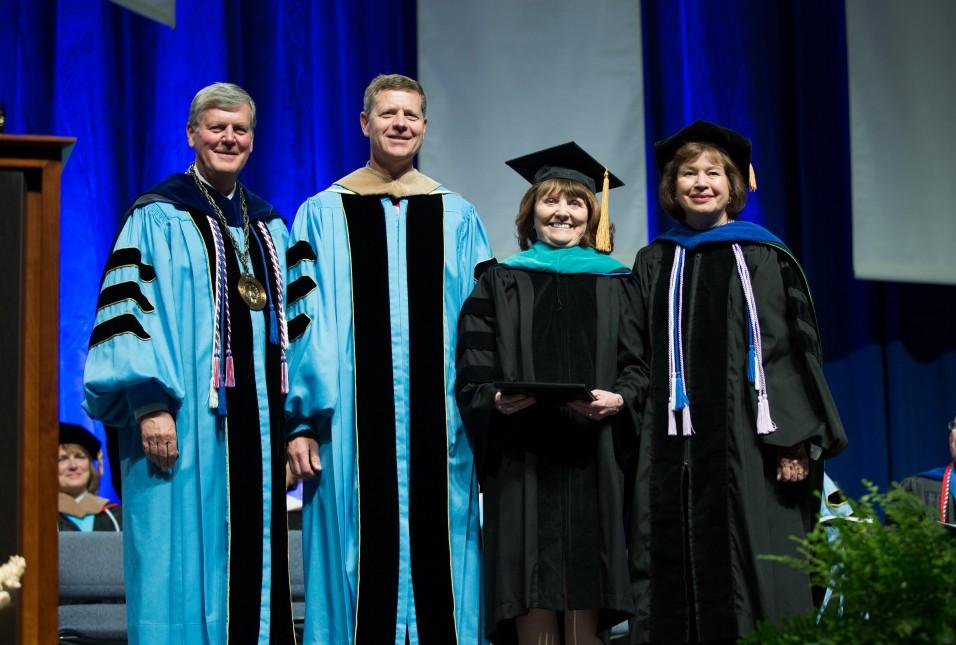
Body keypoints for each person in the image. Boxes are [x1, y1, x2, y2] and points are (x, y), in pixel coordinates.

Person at [619, 120, 848, 643]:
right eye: (688, 174)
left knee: (755, 568)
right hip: (671, 450)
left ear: (733, 184)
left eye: (713, 172)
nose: (701, 182)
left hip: (751, 446)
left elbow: (788, 351)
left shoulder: (765, 256)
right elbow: (633, 353)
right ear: (673, 189)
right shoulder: (654, 260)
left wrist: (792, 438)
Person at [285, 73, 492, 644]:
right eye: (387, 114)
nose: (399, 124)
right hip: (347, 425)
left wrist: (478, 412)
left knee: (445, 561)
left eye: (410, 115)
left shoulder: (458, 216)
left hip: (443, 422)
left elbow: (483, 325)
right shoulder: (322, 214)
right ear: (365, 124)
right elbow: (303, 326)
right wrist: (300, 422)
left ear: (424, 127)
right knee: (352, 556)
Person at [83, 82, 294, 644]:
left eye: (240, 129)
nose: (229, 137)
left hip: (259, 430)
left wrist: (298, 422)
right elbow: (128, 318)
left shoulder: (269, 227)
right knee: (177, 558)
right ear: (191, 134)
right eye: (217, 127)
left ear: (253, 138)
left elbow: (297, 334)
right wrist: (149, 405)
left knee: (253, 566)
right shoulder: (157, 216)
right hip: (183, 426)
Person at [455, 142, 634, 644]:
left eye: (575, 202)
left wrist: (620, 398)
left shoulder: (619, 283)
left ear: (592, 216)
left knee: (585, 584)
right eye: (550, 201)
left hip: (595, 454)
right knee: (528, 586)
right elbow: (474, 361)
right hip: (522, 455)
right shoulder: (499, 280)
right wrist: (491, 397)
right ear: (530, 213)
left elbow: (639, 365)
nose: (562, 212)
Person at [57, 422, 122, 532]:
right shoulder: (40, 517)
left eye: (80, 457)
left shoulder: (115, 515)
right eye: (62, 459)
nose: (73, 466)